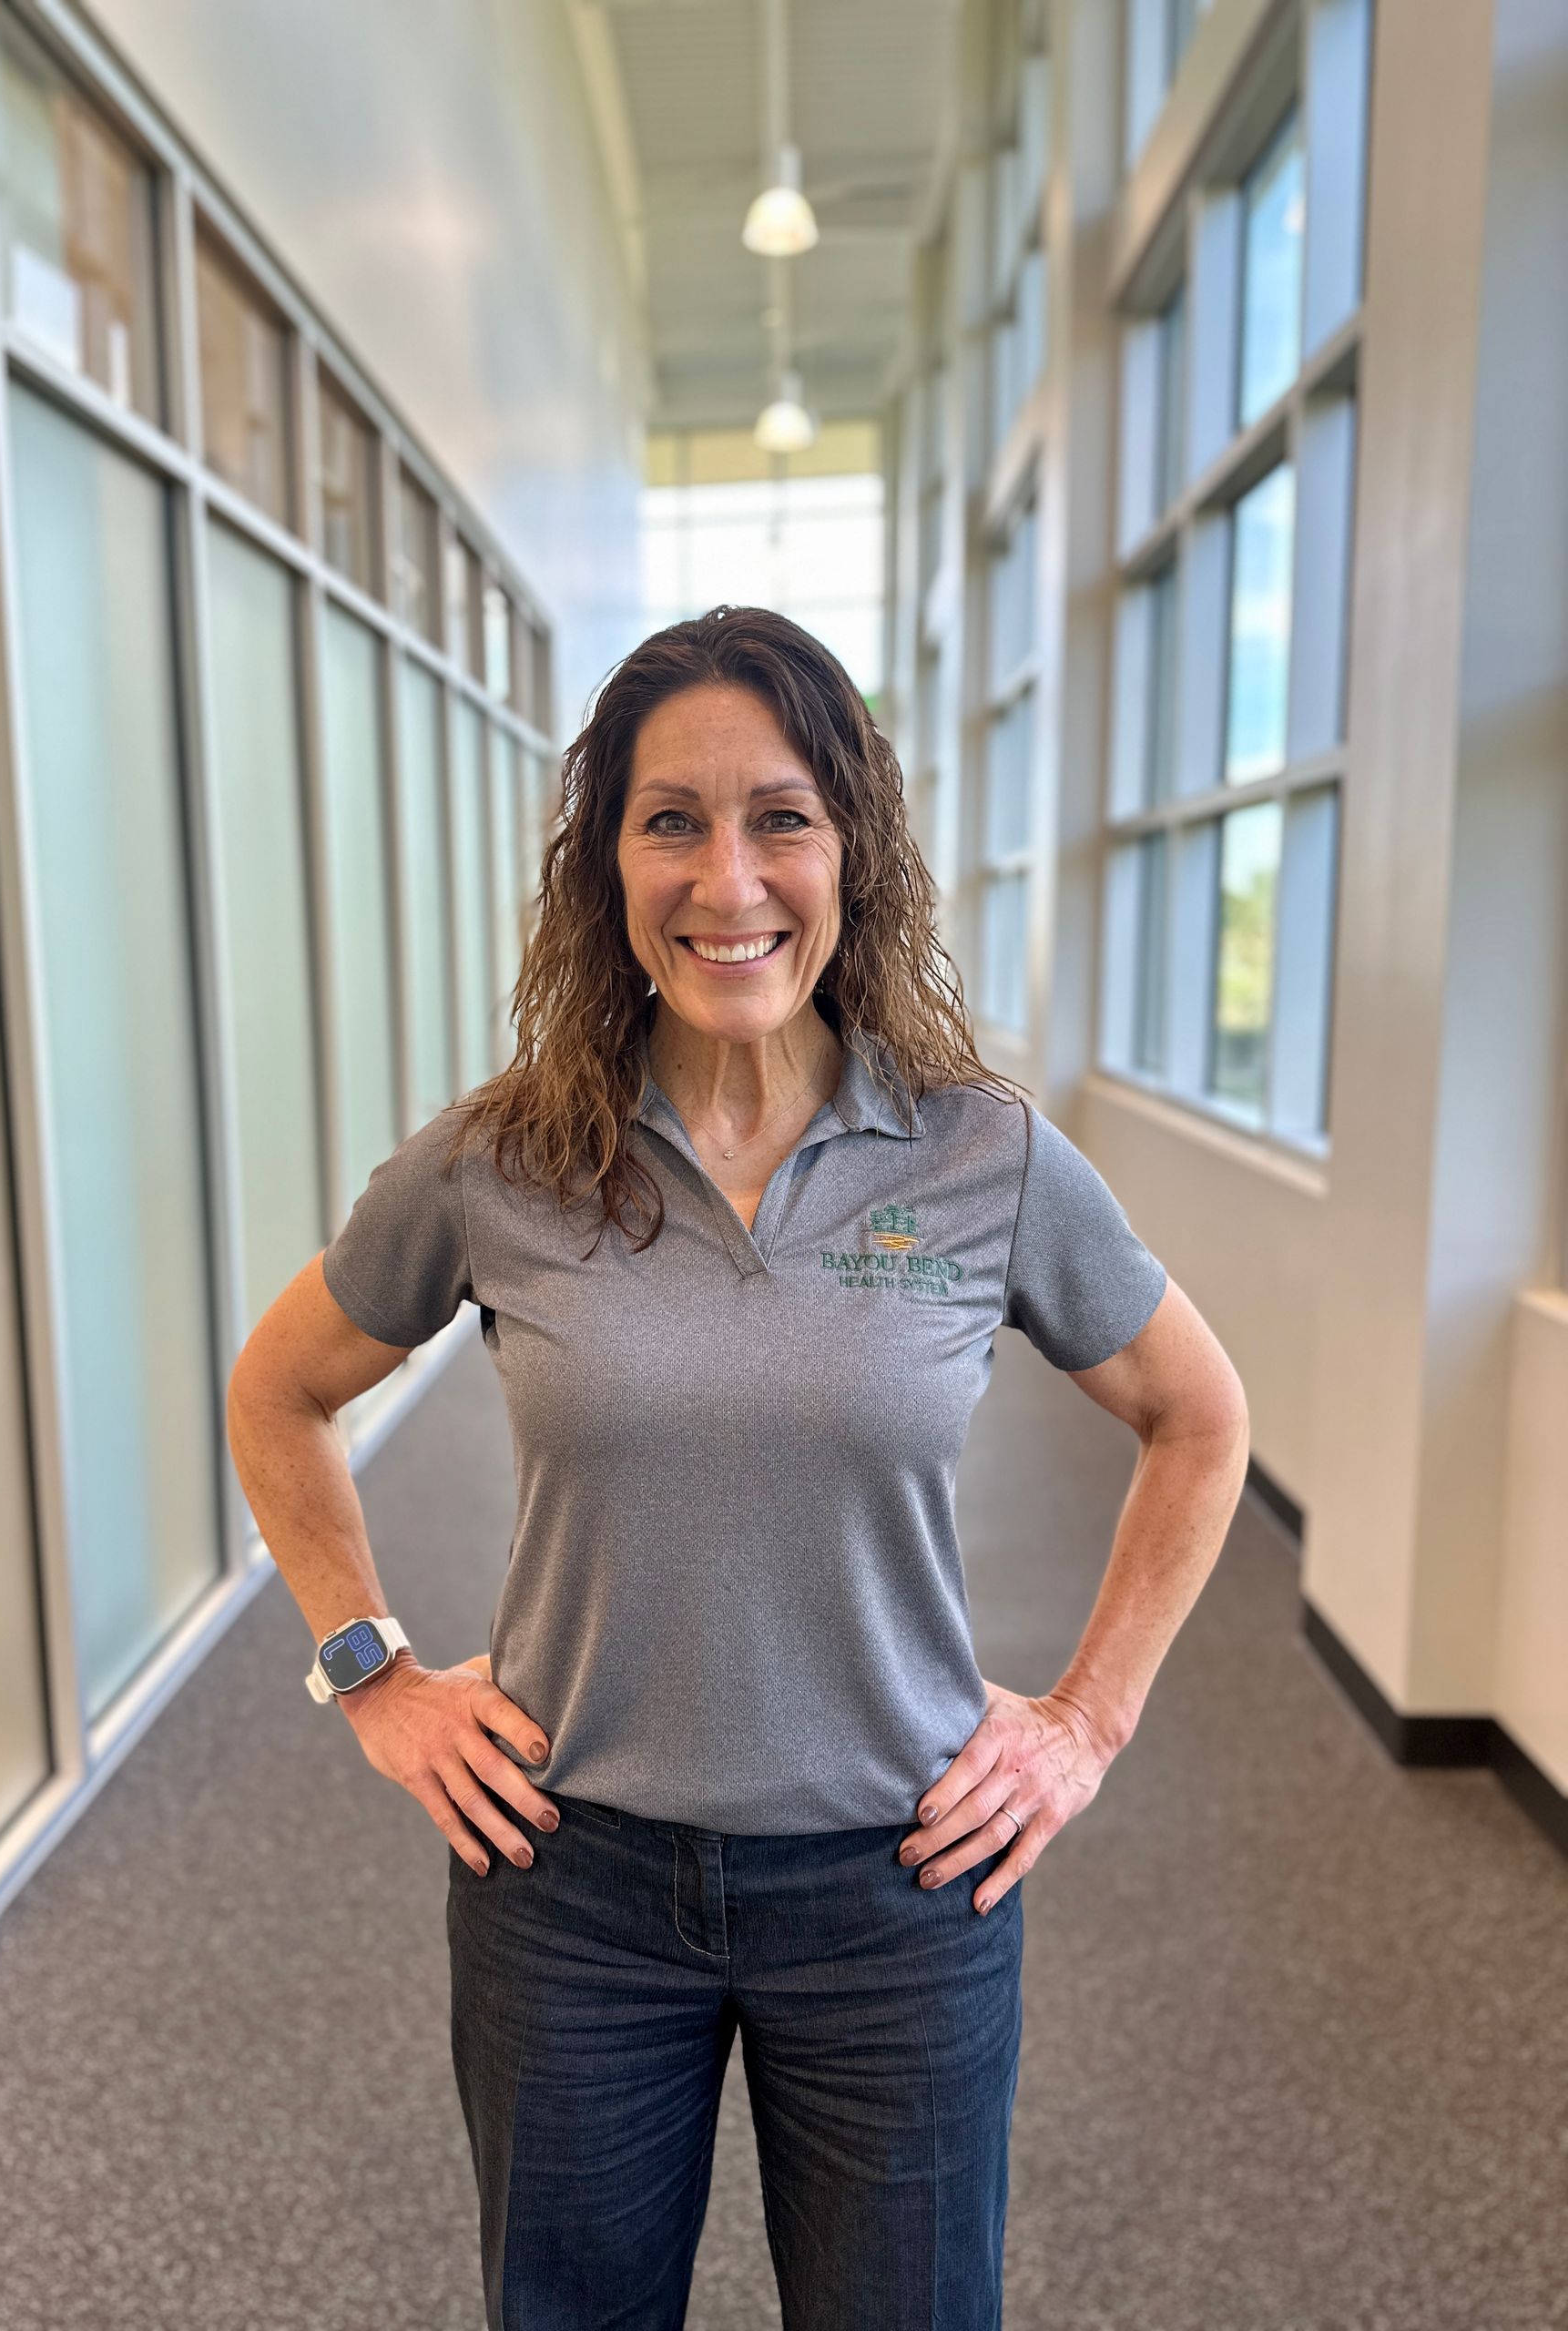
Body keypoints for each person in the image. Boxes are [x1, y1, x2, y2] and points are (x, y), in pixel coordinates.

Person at [226, 606, 1250, 2329]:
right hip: (571, 1886)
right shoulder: (501, 1159)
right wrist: (371, 1674)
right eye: (671, 820)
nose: (730, 879)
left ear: (851, 846)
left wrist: (1085, 1724)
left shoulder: (980, 1150)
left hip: (902, 1890)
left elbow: (1198, 1416)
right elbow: (278, 1393)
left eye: (781, 816)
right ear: (607, 865)